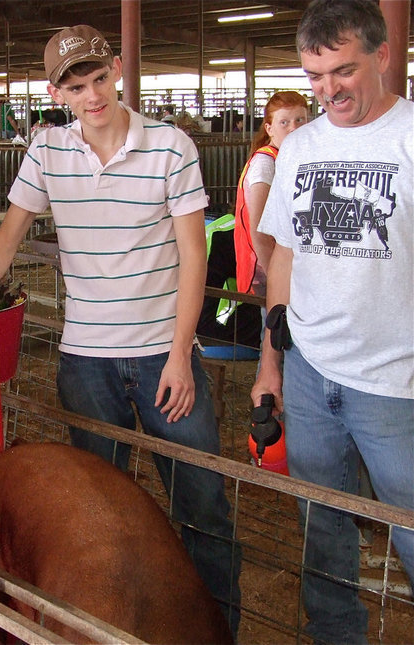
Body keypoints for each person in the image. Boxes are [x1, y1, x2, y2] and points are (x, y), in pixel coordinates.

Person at [0, 25, 241, 638]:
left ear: (116, 71)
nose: (92, 96)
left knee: (204, 507)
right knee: (96, 526)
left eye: (99, 80)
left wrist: (182, 353)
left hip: (164, 354)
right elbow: (5, 242)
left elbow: (193, 253)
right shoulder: (48, 150)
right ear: (58, 91)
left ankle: (221, 633)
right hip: (86, 359)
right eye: (76, 87)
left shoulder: (171, 145)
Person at [252, 1, 414, 643]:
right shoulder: (301, 147)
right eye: (314, 76)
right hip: (311, 371)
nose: (327, 91)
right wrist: (271, 362)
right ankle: (337, 634)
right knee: (322, 522)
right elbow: (284, 256)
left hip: (395, 380)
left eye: (341, 72)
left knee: (410, 523)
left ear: (381, 56)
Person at [234, 91, 308, 297]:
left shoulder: (289, 159)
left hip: (288, 266)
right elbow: (259, 230)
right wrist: (276, 277)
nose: (294, 128)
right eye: (284, 122)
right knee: (277, 325)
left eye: (300, 120)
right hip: (269, 270)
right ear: (269, 129)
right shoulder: (266, 163)